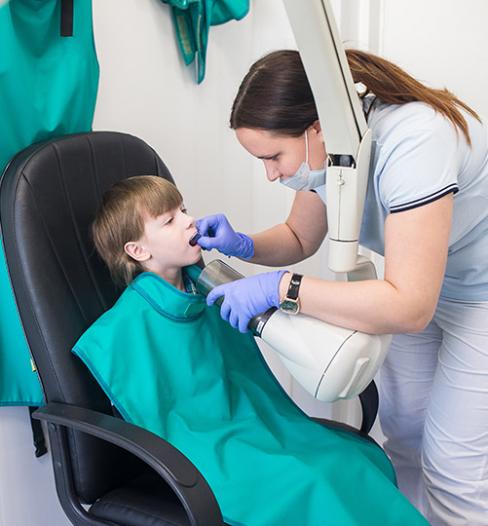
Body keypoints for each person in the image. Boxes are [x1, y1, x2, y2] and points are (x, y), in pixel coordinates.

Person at [195, 50, 488, 525]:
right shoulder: (333, 150)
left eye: (273, 157)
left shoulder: (414, 139)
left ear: (317, 127)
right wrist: (242, 244)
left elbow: (410, 306)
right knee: (406, 438)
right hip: (424, 284)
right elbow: (298, 237)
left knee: (455, 467)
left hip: (480, 296)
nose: (272, 173)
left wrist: (282, 289)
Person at [72, 175, 428, 526]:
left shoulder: (209, 288)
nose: (188, 221)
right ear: (137, 250)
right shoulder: (120, 330)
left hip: (260, 424)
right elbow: (161, 416)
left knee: (350, 462)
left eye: (184, 209)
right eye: (169, 220)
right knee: (311, 481)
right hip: (206, 452)